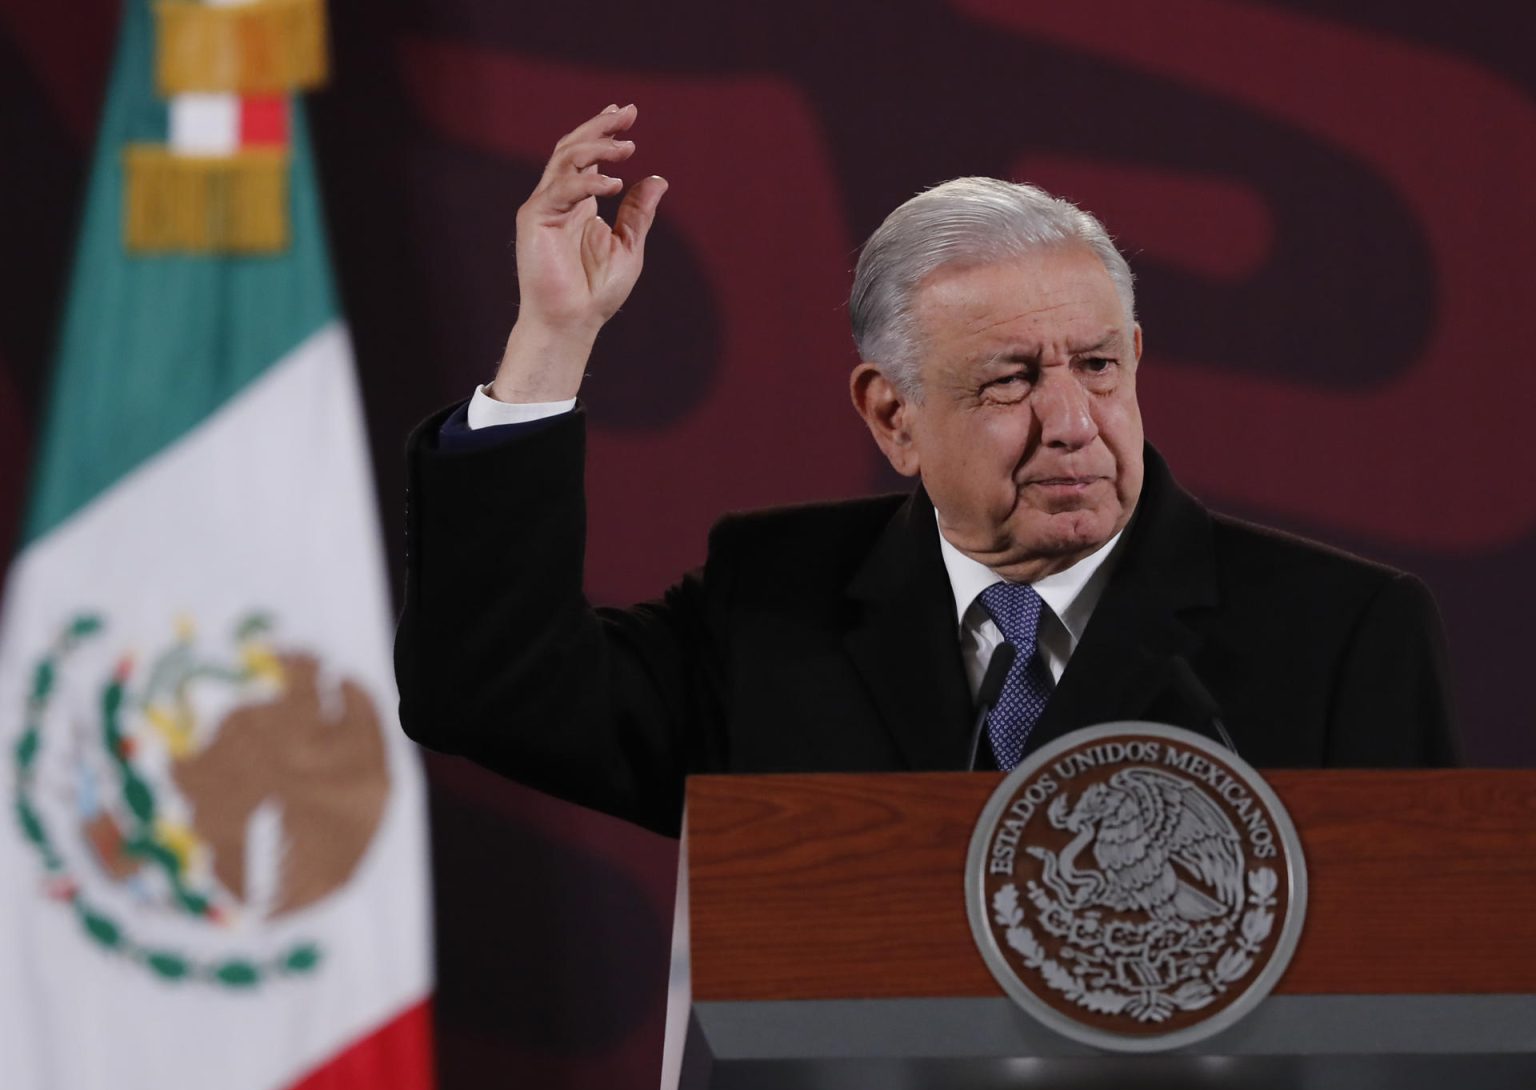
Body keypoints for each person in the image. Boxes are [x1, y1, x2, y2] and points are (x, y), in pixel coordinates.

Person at [394, 105, 1458, 837]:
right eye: (1009, 382)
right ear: (892, 416)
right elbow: (495, 694)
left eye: (1095, 367)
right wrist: (550, 339)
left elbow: (1427, 977)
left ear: (1136, 363)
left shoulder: (1338, 632)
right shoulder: (773, 608)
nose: (1072, 423)